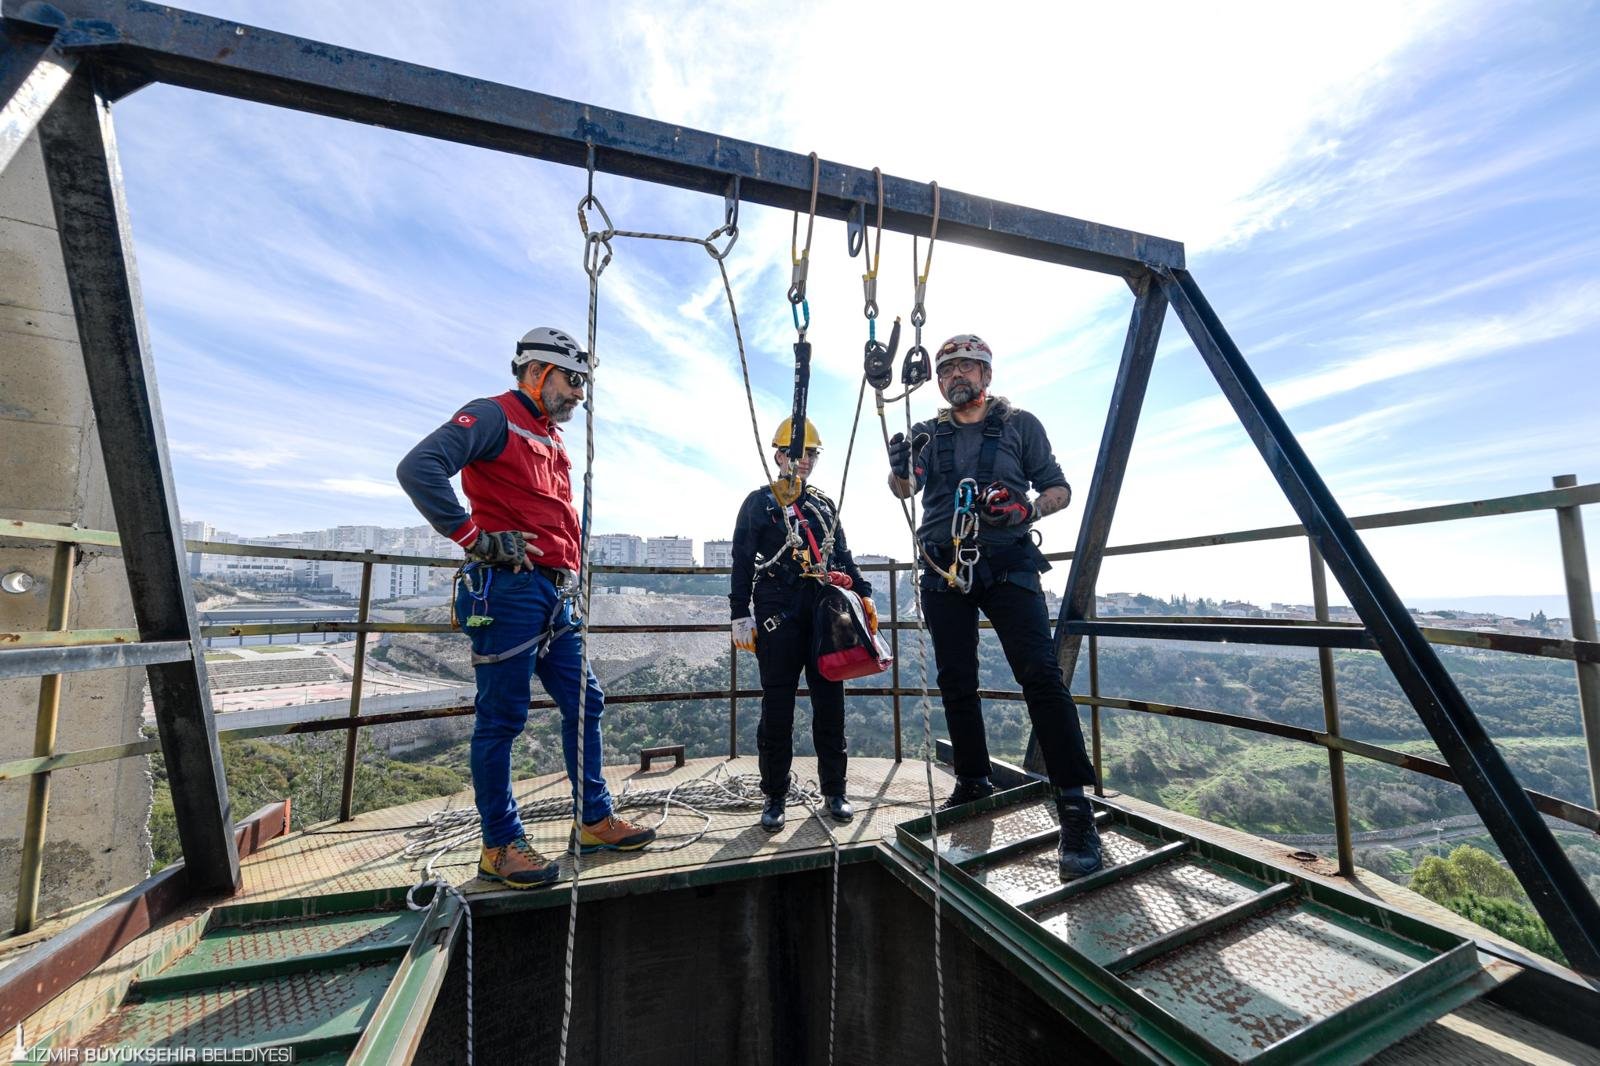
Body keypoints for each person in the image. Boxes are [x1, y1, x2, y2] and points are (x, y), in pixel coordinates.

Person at [396, 326, 655, 889]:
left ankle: (594, 819)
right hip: (509, 590)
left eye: (583, 383)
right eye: (572, 380)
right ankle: (500, 845)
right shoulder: (494, 416)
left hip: (553, 593)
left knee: (585, 701)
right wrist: (475, 539)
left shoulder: (548, 435)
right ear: (537, 372)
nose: (579, 393)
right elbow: (418, 468)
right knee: (502, 719)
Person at [885, 334, 1102, 878]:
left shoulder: (1020, 425)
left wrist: (1025, 509)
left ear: (986, 374)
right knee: (956, 679)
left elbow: (1059, 489)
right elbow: (905, 489)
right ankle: (972, 779)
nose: (956, 376)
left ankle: (1075, 807)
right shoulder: (927, 433)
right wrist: (899, 467)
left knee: (1041, 676)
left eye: (967, 367)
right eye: (947, 371)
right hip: (944, 568)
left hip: (1007, 563)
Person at [730, 418, 875, 832]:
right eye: (797, 453)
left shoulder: (822, 505)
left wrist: (863, 593)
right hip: (778, 614)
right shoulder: (759, 504)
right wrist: (739, 613)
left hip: (822, 613)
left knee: (830, 705)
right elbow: (742, 560)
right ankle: (775, 794)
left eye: (811, 453)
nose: (805, 460)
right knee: (777, 707)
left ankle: (835, 790)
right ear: (779, 456)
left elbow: (842, 555)